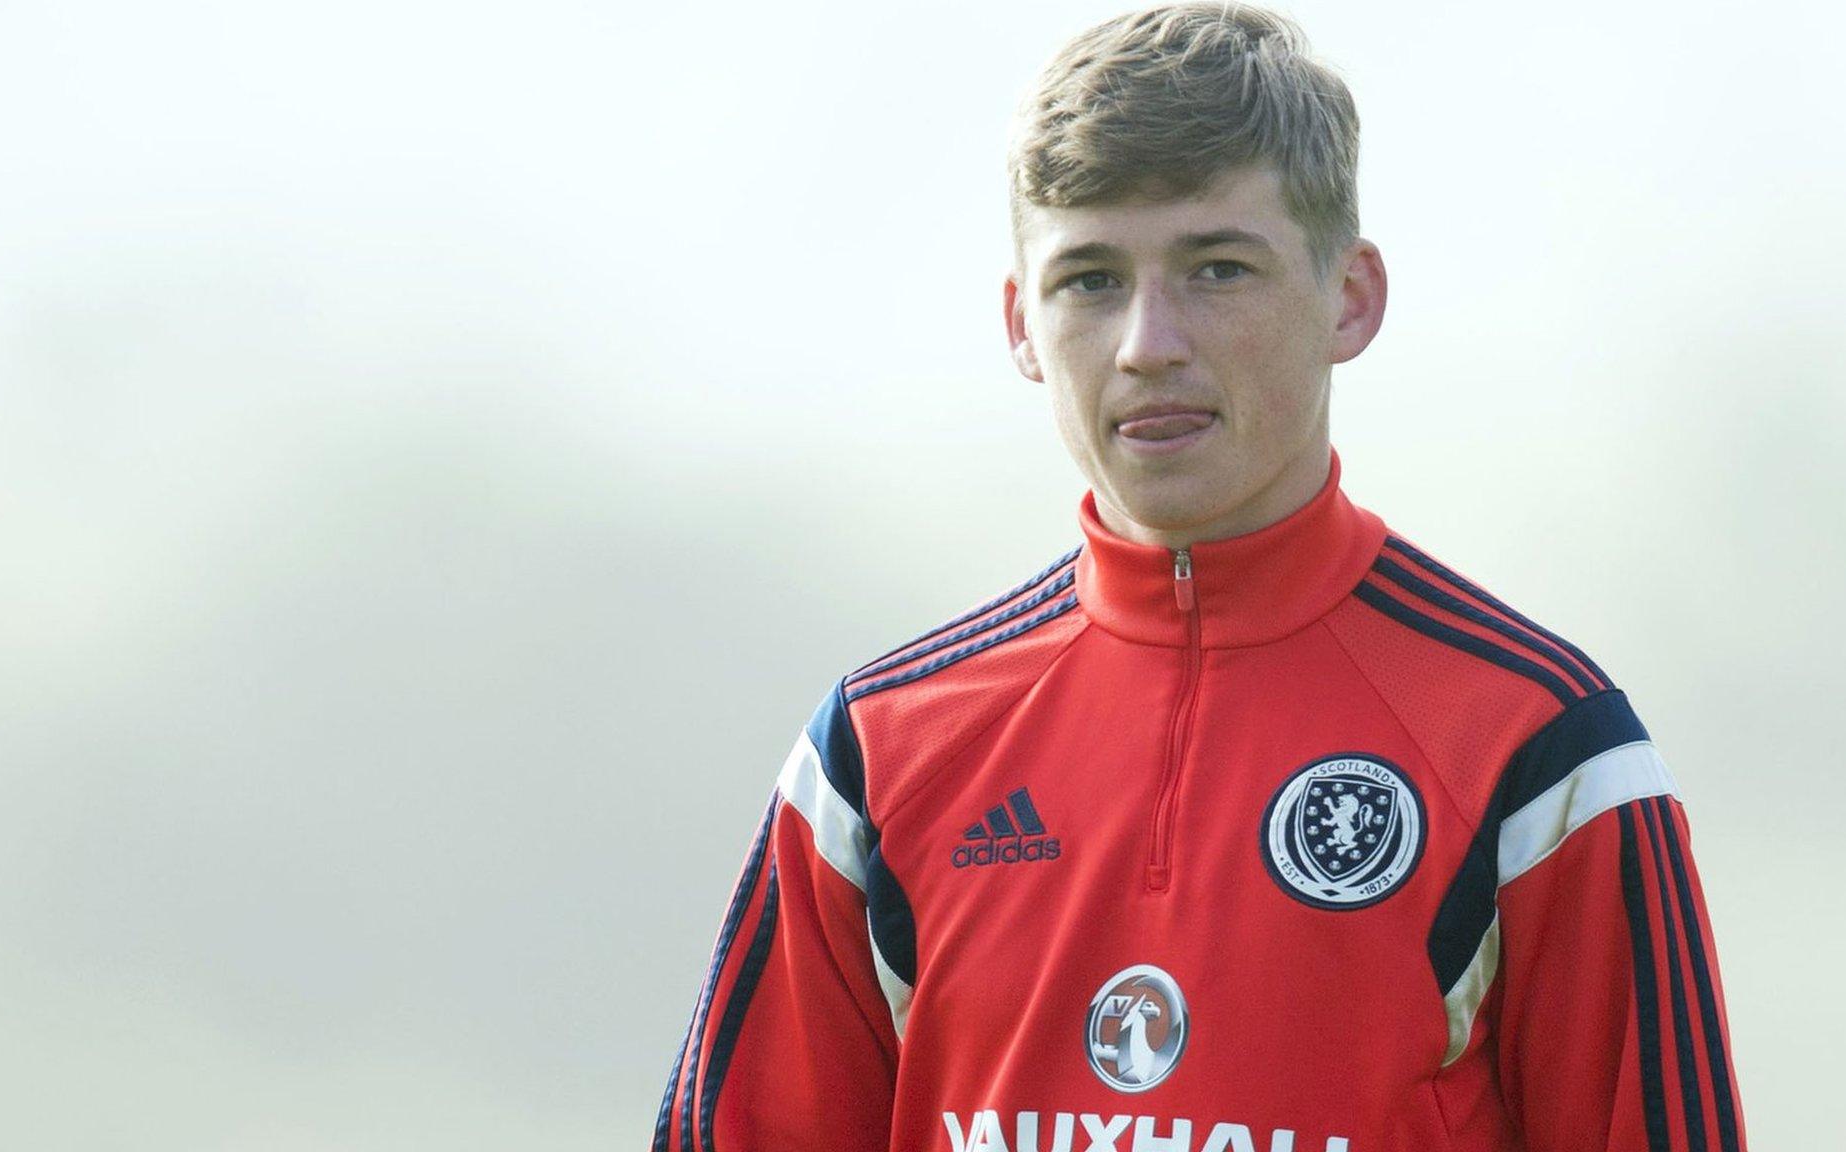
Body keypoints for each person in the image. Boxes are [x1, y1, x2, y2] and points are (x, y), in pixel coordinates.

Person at [651, 5, 1745, 1151]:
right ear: (1020, 325)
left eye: (1217, 268)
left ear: (1350, 298)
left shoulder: (1540, 752)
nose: (1146, 343)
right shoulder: (876, 759)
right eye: (1088, 279)